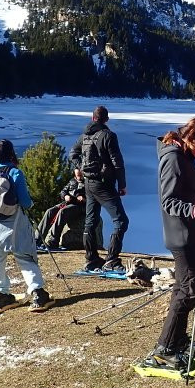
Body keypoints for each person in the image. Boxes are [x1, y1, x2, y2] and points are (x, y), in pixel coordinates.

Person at [140, 116, 195, 371]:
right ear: (191, 137)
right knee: (186, 290)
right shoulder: (174, 158)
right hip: (181, 235)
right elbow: (168, 201)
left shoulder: (184, 156)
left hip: (188, 233)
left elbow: (187, 185)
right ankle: (164, 349)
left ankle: (176, 341)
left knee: (186, 288)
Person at [0, 139, 54, 312]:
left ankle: (0, 296)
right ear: (12, 153)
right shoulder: (15, 173)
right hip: (14, 223)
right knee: (25, 256)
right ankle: (37, 293)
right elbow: (26, 202)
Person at [69, 105, 129, 273]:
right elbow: (117, 162)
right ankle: (111, 259)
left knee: (91, 220)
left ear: (92, 118)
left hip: (89, 183)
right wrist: (122, 184)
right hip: (103, 184)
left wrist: (80, 167)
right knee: (121, 221)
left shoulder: (85, 136)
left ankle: (91, 258)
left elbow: (72, 153)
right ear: (106, 119)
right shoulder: (108, 136)